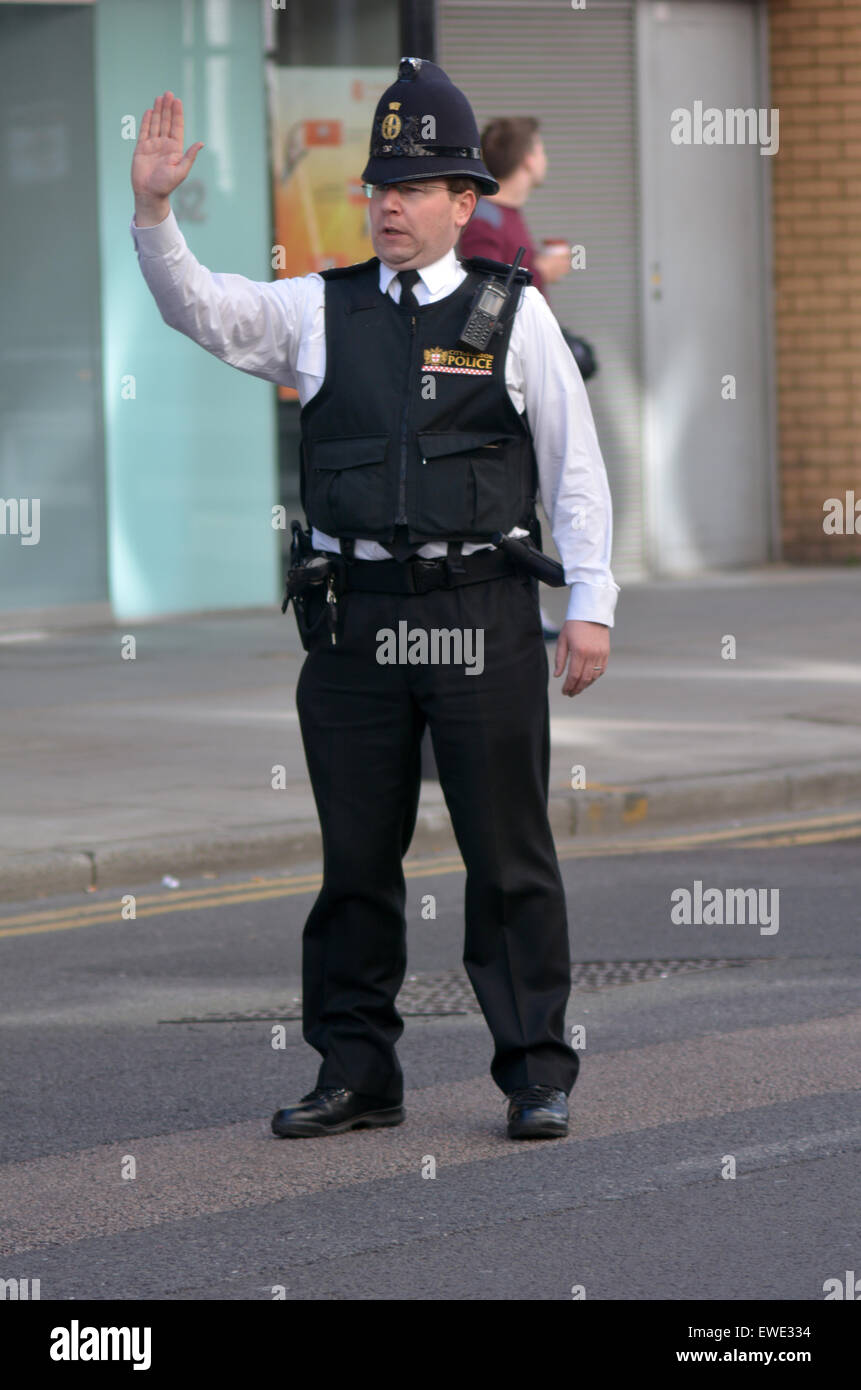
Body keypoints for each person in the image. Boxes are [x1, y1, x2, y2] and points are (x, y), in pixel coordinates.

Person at [130, 61, 620, 1143]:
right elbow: (205, 312)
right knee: (356, 857)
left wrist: (591, 600)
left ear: (463, 201)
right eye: (378, 187)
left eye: (416, 187)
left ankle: (535, 1070)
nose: (389, 204)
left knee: (508, 854)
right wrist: (156, 212)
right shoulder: (319, 306)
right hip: (356, 621)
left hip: (481, 608)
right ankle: (359, 1073)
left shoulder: (513, 314)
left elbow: (572, 466)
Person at [459, 116, 593, 640]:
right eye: (540, 147)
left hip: (524, 370)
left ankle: (529, 599)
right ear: (526, 158)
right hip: (499, 380)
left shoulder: (506, 214)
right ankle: (517, 602)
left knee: (535, 487)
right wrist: (541, 271)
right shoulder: (488, 217)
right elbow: (485, 296)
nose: (544, 156)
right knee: (513, 489)